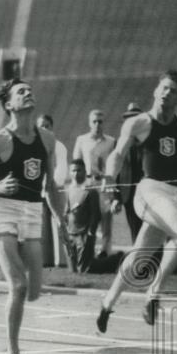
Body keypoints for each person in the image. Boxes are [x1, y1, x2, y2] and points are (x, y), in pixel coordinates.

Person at [95, 70, 177, 333]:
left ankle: (107, 303)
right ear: (155, 90)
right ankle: (154, 293)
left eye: (173, 90)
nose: (167, 93)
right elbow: (117, 154)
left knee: (140, 257)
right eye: (164, 87)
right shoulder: (138, 123)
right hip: (149, 191)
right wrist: (108, 176)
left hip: (175, 196)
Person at [0, 79, 67, 354]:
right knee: (19, 284)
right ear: (10, 105)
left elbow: (50, 185)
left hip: (33, 210)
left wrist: (62, 219)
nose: (28, 93)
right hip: (3, 210)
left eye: (30, 90)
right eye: (20, 92)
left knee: (35, 290)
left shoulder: (48, 139)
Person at [72, 109, 117, 256]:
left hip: (105, 182)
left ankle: (105, 251)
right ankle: (86, 250)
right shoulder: (82, 140)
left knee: (106, 219)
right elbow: (76, 163)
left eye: (100, 121)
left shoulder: (111, 141)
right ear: (89, 123)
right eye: (94, 121)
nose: (97, 124)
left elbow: (115, 164)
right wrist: (76, 186)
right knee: (86, 219)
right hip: (88, 183)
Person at [36, 114, 68, 267]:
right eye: (41, 126)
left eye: (46, 126)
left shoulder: (59, 146)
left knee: (58, 222)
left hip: (55, 188)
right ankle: (45, 260)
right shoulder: (33, 145)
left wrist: (51, 184)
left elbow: (61, 169)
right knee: (42, 226)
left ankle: (61, 261)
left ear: (51, 127)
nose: (43, 128)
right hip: (38, 191)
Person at [113, 102, 145, 243]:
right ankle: (139, 261)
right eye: (129, 118)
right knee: (134, 228)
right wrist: (116, 197)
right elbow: (117, 171)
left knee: (149, 228)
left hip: (147, 193)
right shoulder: (119, 143)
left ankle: (154, 259)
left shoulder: (148, 141)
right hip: (128, 192)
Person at [64, 159, 102, 273]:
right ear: (70, 172)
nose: (76, 173)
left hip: (83, 234)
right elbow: (66, 211)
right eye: (73, 171)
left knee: (84, 269)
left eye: (79, 170)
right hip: (70, 233)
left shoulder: (90, 190)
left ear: (85, 171)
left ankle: (113, 261)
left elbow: (96, 214)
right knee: (72, 270)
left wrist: (91, 232)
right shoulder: (68, 189)